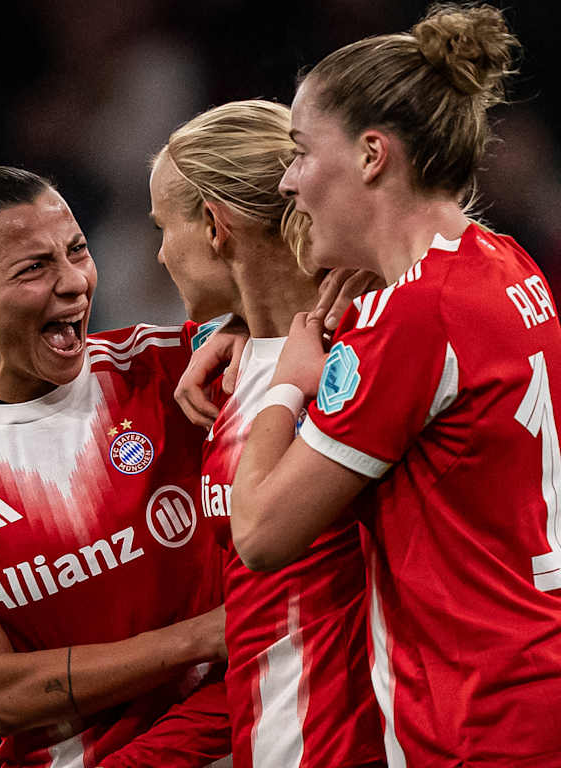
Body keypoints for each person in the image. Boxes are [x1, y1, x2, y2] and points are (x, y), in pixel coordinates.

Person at [227, 4, 561, 766]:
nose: (289, 179)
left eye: (301, 150)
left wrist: (285, 383)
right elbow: (553, 496)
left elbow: (260, 534)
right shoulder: (508, 264)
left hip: (484, 736)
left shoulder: (415, 317)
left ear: (372, 155)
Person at [0, 147, 233, 768]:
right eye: (34, 267)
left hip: (240, 738)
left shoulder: (168, 364)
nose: (73, 281)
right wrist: (200, 637)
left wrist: (252, 325)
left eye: (77, 250)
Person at [144, 99, 387, 768]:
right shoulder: (218, 371)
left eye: (164, 227)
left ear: (216, 226)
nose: (160, 253)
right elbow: (256, 629)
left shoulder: (370, 351)